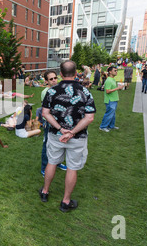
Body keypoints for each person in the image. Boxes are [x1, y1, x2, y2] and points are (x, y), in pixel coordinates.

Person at [38, 60, 96, 213]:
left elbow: (45, 113)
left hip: (56, 135)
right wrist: (72, 132)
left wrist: (60, 129)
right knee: (72, 168)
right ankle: (65, 201)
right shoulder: (85, 91)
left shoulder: (51, 91)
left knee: (52, 162)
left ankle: (45, 192)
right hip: (77, 137)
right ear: (76, 73)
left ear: (61, 74)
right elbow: (89, 117)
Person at [99, 66, 123, 132]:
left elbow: (112, 89)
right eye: (115, 70)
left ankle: (111, 126)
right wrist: (118, 88)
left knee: (113, 114)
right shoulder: (109, 80)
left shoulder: (113, 79)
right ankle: (103, 127)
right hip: (110, 100)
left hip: (114, 99)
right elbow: (107, 91)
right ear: (110, 72)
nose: (116, 72)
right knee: (109, 114)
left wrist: (119, 88)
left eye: (116, 70)